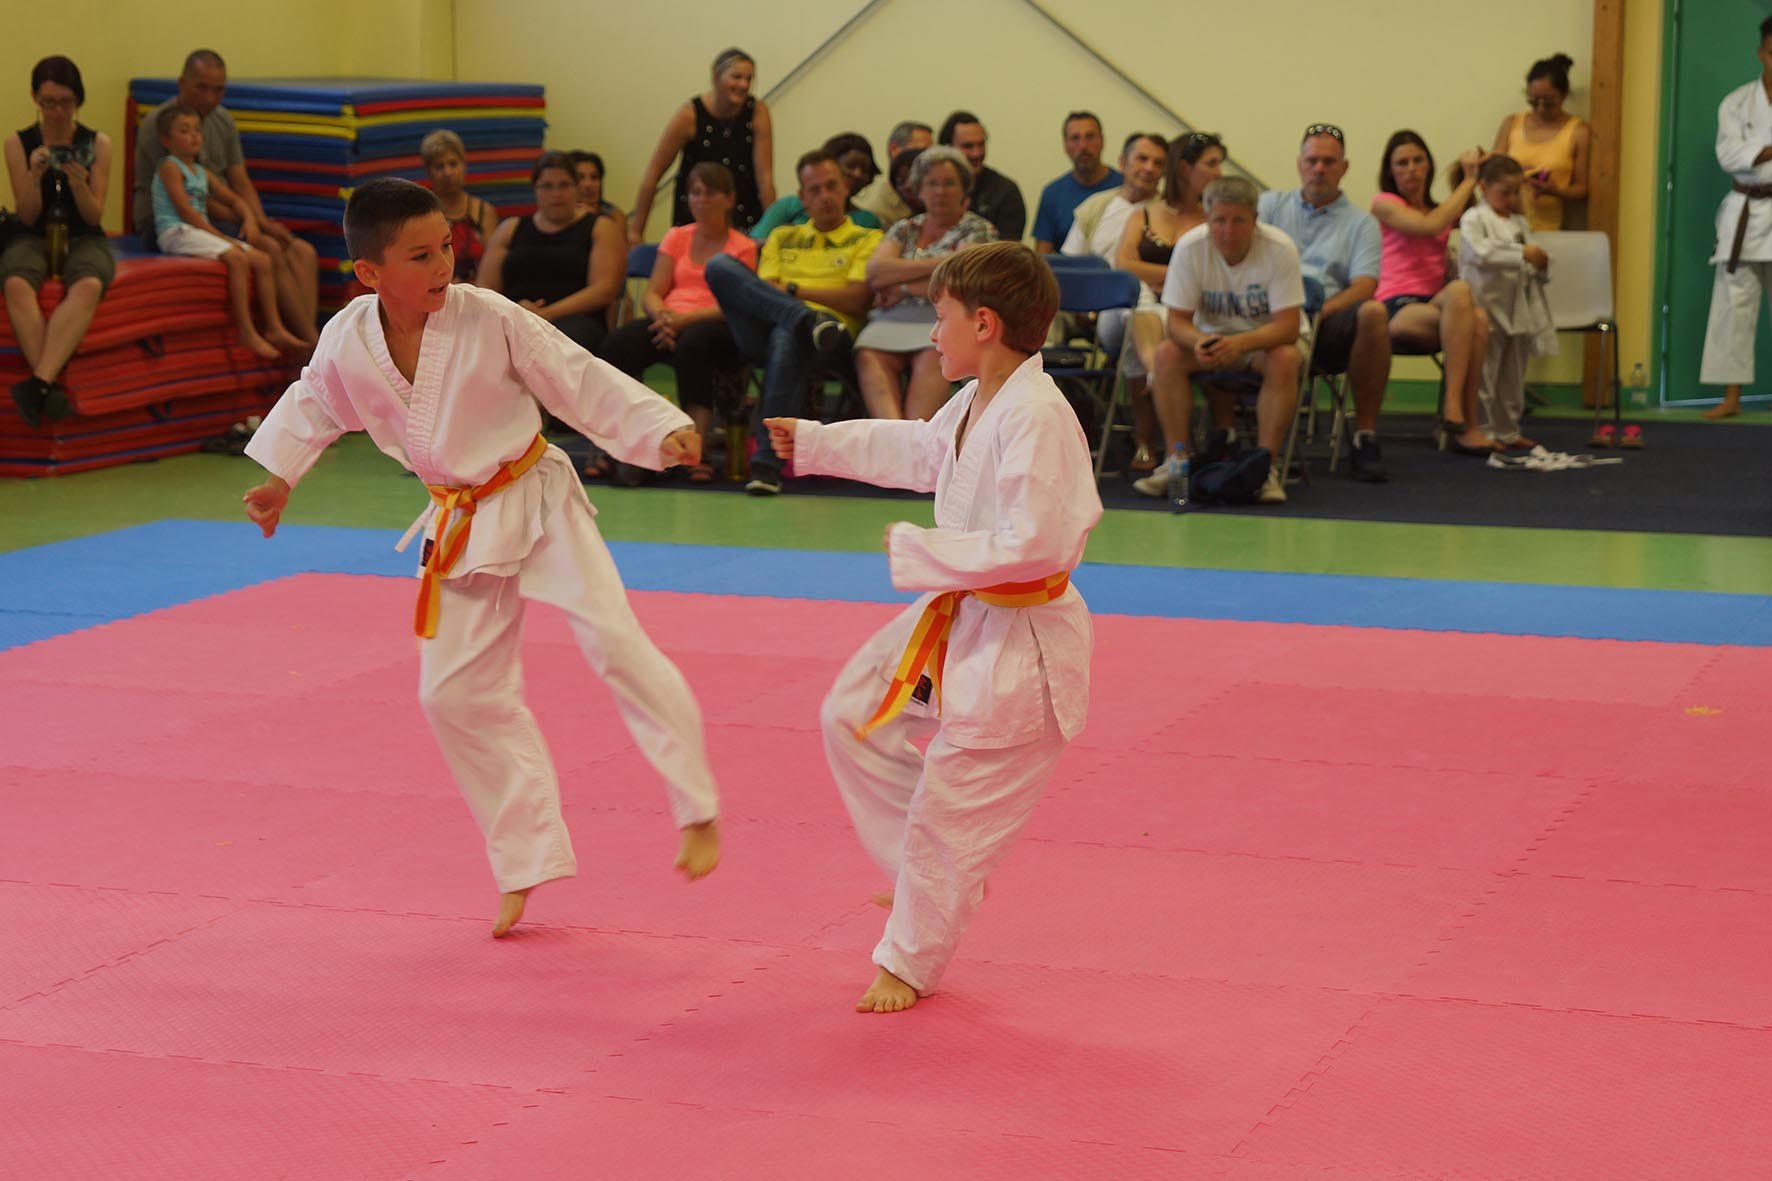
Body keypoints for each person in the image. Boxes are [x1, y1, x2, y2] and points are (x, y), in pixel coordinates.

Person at [239, 178, 720, 939]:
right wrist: (278, 479)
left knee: (615, 641)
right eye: (421, 256)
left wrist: (659, 429)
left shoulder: (487, 315)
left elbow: (575, 375)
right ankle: (525, 857)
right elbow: (316, 401)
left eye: (447, 248)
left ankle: (697, 808)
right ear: (369, 272)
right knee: (451, 694)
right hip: (460, 519)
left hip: (536, 497)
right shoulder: (349, 336)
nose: (443, 266)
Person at [761, 241, 1101, 1013]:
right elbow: (922, 449)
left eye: (939, 317)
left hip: (1020, 642)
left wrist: (925, 549)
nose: (931, 333)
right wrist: (816, 442)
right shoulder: (982, 395)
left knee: (951, 812)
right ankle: (922, 872)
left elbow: (1037, 542)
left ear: (984, 324)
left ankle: (908, 959)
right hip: (961, 612)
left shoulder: (1037, 417)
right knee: (852, 715)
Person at [704, 150, 882, 495]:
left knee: (787, 336)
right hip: (770, 327)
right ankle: (803, 319)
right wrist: (800, 307)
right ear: (802, 197)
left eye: (831, 186)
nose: (824, 196)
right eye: (814, 190)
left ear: (845, 188)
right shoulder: (782, 236)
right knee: (719, 266)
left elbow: (856, 299)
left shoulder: (868, 238)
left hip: (833, 338)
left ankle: (766, 466)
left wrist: (792, 290)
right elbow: (761, 293)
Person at [1136, 176, 1306, 506]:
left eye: (1239, 221)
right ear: (1207, 218)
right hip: (1211, 341)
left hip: (1263, 342)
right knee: (1167, 354)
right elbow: (1177, 322)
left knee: (1285, 358)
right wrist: (1200, 342)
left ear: (1255, 220)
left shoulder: (1280, 248)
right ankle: (1176, 462)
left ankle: (1265, 468)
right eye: (1219, 221)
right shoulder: (1190, 248)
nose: (1228, 231)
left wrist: (1240, 344)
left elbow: (1288, 328)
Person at [133, 50, 319, 347]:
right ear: (182, 83)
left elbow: (239, 180)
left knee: (302, 251)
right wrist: (248, 223)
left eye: (218, 90)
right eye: (201, 88)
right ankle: (311, 345)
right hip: (176, 219)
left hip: (220, 211)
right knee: (269, 248)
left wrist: (260, 220)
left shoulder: (221, 119)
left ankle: (303, 342)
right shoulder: (163, 126)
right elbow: (190, 199)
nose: (210, 98)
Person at [599, 162, 757, 480]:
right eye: (695, 193)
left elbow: (736, 304)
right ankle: (622, 443)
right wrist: (663, 317)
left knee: (694, 344)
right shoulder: (676, 236)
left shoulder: (743, 246)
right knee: (618, 343)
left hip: (715, 323)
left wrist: (684, 321)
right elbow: (653, 291)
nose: (701, 200)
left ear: (729, 199)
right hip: (669, 321)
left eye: (710, 193)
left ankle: (695, 447)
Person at [1259, 123, 1390, 481]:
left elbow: (1365, 285)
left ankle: (1365, 435)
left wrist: (1312, 314)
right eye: (1312, 160)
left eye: (1329, 162)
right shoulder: (1269, 206)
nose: (1319, 169)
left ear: (1344, 168)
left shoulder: (1362, 224)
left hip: (1328, 323)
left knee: (1374, 312)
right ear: (1299, 164)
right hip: (1268, 319)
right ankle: (1228, 436)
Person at [2, 55, 113, 427]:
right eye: (49, 102)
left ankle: (38, 384)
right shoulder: (18, 144)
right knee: (16, 281)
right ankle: (46, 387)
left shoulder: (98, 143)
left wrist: (80, 183)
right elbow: (27, 215)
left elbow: (94, 216)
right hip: (33, 233)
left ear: (78, 100)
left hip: (82, 234)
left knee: (90, 282)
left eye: (66, 102)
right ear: (35, 98)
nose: (58, 112)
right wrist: (34, 177)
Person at [1370, 130, 1495, 454]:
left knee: (1472, 308)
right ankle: (1455, 409)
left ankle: (1467, 426)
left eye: (1418, 161)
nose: (1411, 169)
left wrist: (1478, 173)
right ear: (1390, 171)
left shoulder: (1440, 209)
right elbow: (1429, 227)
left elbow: (1485, 217)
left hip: (1438, 305)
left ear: (1428, 165)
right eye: (1402, 163)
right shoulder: (1385, 204)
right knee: (1471, 313)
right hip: (1396, 306)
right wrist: (1469, 180)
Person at [152, 104, 306, 360]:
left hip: (196, 229)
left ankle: (274, 327)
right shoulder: (170, 167)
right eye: (185, 131)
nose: (194, 136)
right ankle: (246, 331)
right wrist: (220, 237)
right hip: (175, 231)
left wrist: (249, 220)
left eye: (197, 130)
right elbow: (185, 211)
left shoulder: (201, 172)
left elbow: (235, 200)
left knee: (263, 260)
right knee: (236, 258)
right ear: (166, 140)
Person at [854, 146, 996, 421]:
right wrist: (945, 262)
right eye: (932, 184)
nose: (940, 191)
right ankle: (894, 436)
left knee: (936, 353)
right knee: (868, 352)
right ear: (919, 190)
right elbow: (876, 272)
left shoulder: (978, 229)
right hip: (892, 317)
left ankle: (915, 436)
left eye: (949, 183)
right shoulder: (905, 228)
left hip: (946, 319)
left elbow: (960, 283)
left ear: (964, 189)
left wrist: (902, 286)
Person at [1114, 132, 1223, 471]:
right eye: (1211, 164)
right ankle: (1153, 387)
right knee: (1137, 310)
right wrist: (1180, 274)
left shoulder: (1216, 218)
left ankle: (1149, 439)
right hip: (1143, 308)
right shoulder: (1143, 215)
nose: (1219, 173)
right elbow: (1124, 265)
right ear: (1186, 168)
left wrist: (1169, 278)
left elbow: (1216, 274)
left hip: (1195, 311)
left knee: (1147, 325)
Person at [478, 151, 624, 355]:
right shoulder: (510, 229)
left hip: (576, 320)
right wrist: (514, 310)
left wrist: (547, 313)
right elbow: (485, 286)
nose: (556, 194)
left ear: (576, 188)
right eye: (547, 186)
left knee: (558, 344)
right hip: (514, 316)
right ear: (535, 190)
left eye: (564, 185)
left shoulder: (600, 228)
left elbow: (604, 290)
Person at [1698, 16, 1772, 421]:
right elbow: (1728, 156)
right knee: (1733, 306)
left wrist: (1758, 151)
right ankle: (1731, 398)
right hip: (1744, 210)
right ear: (1761, 53)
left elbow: (1746, 153)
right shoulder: (1736, 102)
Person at [628, 48, 775, 243]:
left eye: (749, 79)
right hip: (696, 218)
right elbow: (653, 174)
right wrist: (636, 231)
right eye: (736, 77)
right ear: (716, 77)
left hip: (744, 215)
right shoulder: (690, 115)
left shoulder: (757, 111)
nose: (744, 85)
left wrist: (774, 230)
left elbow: (765, 179)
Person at [1460, 156, 1557, 449]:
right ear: (1483, 187)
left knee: (1513, 375)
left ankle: (1509, 429)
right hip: (1485, 304)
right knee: (1485, 373)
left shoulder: (1519, 223)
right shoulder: (1474, 218)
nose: (1511, 199)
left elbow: (1531, 263)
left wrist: (1541, 264)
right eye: (1505, 192)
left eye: (1516, 192)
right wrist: (1522, 254)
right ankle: (1483, 429)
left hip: (1519, 307)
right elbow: (1481, 254)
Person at [1491, 53, 1590, 233]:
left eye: (1549, 102)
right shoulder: (1512, 123)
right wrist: (1517, 173)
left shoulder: (1578, 131)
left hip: (1547, 226)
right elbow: (1492, 173)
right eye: (1534, 101)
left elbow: (1581, 189)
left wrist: (1554, 190)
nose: (1541, 109)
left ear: (1564, 95)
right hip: (1503, 225)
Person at [746, 132, 883, 239]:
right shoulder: (789, 206)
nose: (857, 174)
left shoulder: (867, 220)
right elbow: (753, 244)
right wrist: (782, 240)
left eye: (865, 170)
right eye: (850, 166)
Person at [1060, 131, 1167, 263]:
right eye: (1142, 159)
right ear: (1122, 163)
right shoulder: (1094, 206)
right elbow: (1071, 262)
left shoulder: (1170, 212)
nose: (1149, 168)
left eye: (1158, 163)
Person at [1033, 111, 1122, 253]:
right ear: (1065, 145)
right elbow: (1042, 257)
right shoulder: (1052, 194)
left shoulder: (1125, 187)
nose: (1083, 145)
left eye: (1090, 137)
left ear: (1102, 141)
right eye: (1075, 138)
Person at [421, 129, 498, 284]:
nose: (447, 172)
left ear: (464, 166)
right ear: (429, 172)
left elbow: (493, 268)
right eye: (439, 167)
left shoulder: (483, 211)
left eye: (453, 164)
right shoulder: (422, 213)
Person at [938, 111, 1025, 241]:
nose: (977, 153)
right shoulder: (933, 190)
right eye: (968, 146)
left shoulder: (1005, 191)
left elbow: (1009, 249)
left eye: (981, 144)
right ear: (947, 148)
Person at [854, 121, 933, 228]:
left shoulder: (935, 200)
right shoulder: (879, 214)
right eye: (921, 150)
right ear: (894, 150)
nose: (928, 158)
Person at [567, 150, 624, 225]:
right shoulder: (560, 215)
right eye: (580, 177)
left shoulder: (614, 215)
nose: (588, 184)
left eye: (594, 177)